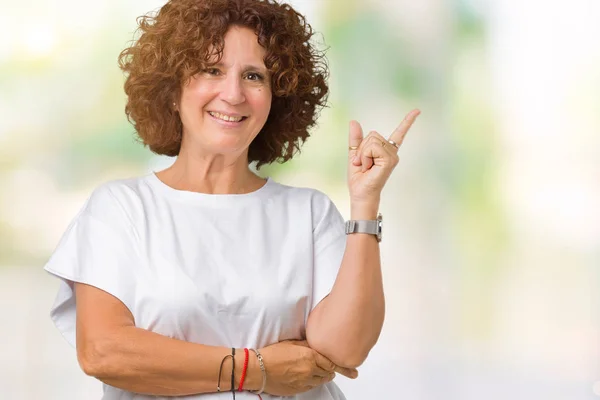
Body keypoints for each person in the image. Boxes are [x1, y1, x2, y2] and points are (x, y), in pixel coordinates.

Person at [43, 0, 420, 399]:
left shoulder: (308, 213)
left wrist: (365, 202)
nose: (234, 93)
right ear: (171, 90)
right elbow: (105, 353)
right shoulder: (121, 209)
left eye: (254, 76)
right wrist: (257, 370)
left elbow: (345, 348)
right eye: (212, 70)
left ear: (276, 98)